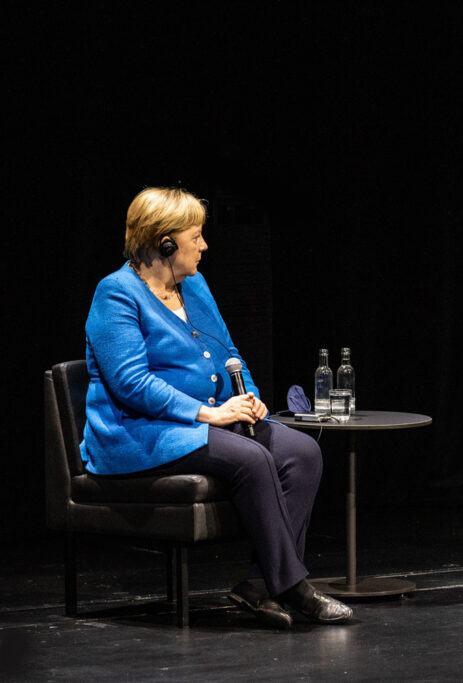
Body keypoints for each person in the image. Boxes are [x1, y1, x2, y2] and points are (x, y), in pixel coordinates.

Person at [81, 187, 352, 627]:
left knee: (303, 452)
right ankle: (294, 587)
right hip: (140, 431)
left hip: (207, 419)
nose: (204, 246)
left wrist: (246, 396)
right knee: (250, 457)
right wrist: (208, 413)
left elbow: (229, 352)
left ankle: (257, 587)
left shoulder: (196, 286)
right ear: (165, 243)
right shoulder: (116, 294)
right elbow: (131, 384)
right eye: (196, 237)